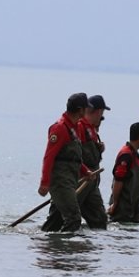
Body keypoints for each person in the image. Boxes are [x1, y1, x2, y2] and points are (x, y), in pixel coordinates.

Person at [39, 93, 92, 232]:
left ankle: (50, 245)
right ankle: (66, 250)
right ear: (80, 110)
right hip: (60, 182)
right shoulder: (60, 128)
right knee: (74, 217)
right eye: (86, 108)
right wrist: (44, 182)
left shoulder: (76, 128)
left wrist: (85, 171)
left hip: (70, 179)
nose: (87, 111)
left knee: (56, 221)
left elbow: (73, 158)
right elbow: (49, 157)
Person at [72, 94, 109, 229]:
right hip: (81, 179)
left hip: (91, 183)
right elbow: (75, 153)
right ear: (99, 111)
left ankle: (92, 248)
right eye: (102, 113)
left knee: (100, 219)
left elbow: (89, 151)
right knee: (69, 215)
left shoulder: (91, 129)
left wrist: (99, 148)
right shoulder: (80, 126)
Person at [108, 122, 139, 224]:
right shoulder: (126, 155)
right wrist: (115, 203)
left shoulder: (135, 155)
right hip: (123, 207)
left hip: (134, 206)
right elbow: (118, 181)